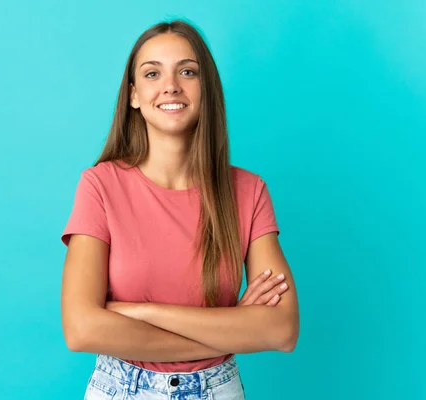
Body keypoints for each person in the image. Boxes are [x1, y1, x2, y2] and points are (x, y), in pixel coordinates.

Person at [59, 19, 299, 400]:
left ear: (207, 90)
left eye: (187, 71)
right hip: (122, 389)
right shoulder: (100, 186)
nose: (170, 85)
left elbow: (281, 330)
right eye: (152, 73)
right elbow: (82, 329)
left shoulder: (249, 191)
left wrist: (142, 312)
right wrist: (231, 328)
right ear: (134, 95)